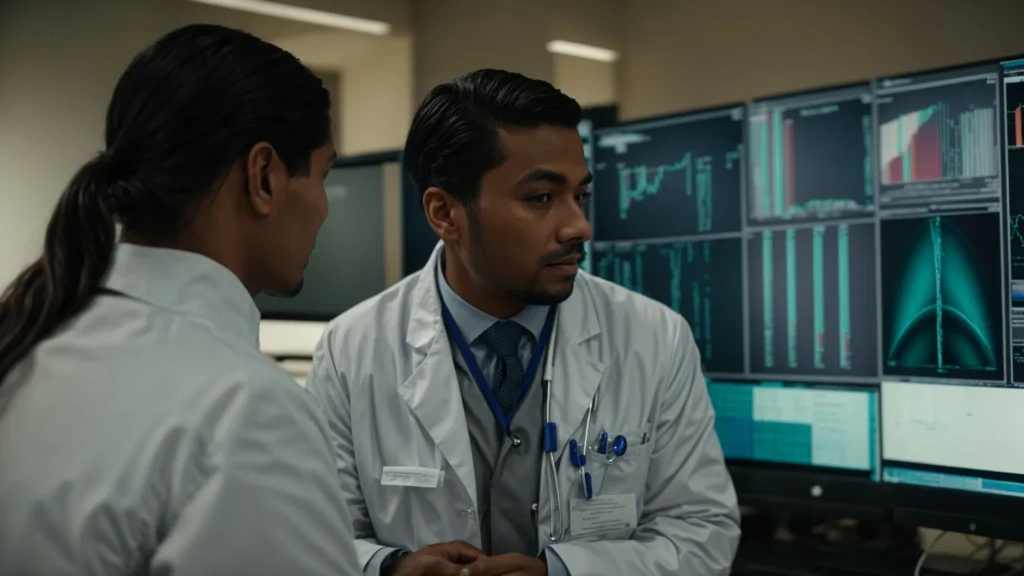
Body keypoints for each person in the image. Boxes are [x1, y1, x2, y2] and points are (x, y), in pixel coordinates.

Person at [306, 68, 741, 576]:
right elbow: (314, 537)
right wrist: (390, 568)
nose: (580, 225)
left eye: (580, 196)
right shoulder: (351, 349)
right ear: (445, 213)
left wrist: (562, 573)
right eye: (541, 198)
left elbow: (701, 532)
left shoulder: (654, 338)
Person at [0, 24, 360, 575]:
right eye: (322, 174)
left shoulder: (32, 338)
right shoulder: (246, 411)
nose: (323, 206)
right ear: (263, 177)